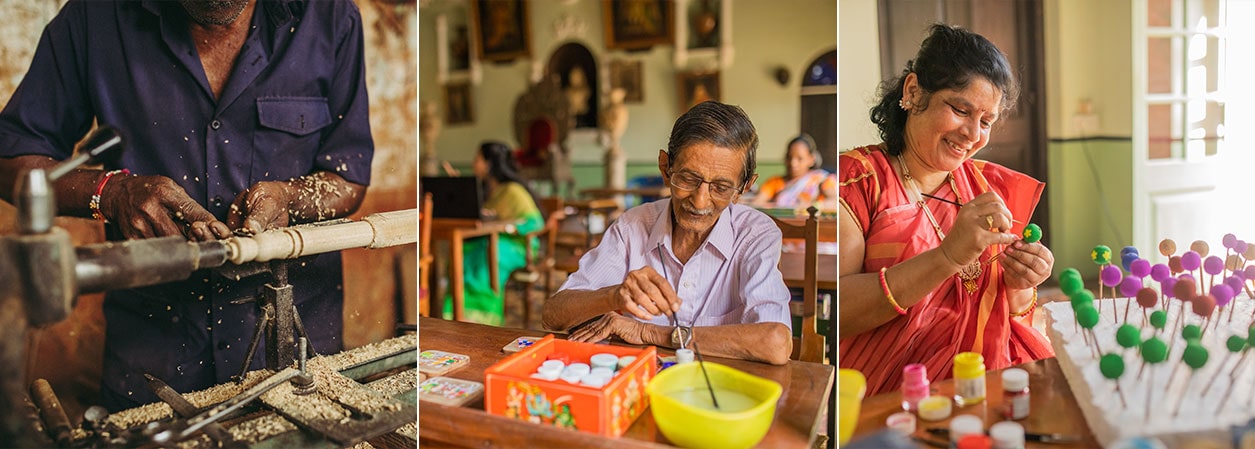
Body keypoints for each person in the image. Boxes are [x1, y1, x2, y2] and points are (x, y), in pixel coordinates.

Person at [0, 0, 374, 411]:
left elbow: (347, 176)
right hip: (153, 354)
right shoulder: (95, 17)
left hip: (295, 348)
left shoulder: (331, 17)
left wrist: (289, 198)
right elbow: (11, 160)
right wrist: (111, 193)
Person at [838, 24, 1055, 395]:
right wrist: (947, 257)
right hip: (890, 395)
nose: (972, 134)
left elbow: (1010, 312)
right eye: (960, 110)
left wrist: (1021, 283)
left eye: (985, 122)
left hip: (983, 382)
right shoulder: (858, 181)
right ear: (913, 92)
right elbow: (839, 313)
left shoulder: (988, 189)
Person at [543, 101, 793, 365]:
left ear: (744, 187)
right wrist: (613, 296)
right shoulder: (631, 227)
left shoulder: (756, 235)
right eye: (687, 179)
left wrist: (648, 331)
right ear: (665, 168)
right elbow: (553, 314)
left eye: (720, 187)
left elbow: (775, 343)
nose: (699, 201)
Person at [443, 141, 543, 325]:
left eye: (477, 159)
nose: (473, 163)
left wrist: (508, 226)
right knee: (462, 250)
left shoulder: (513, 191)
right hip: (491, 239)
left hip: (518, 246)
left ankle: (484, 319)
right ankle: (457, 313)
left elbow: (535, 223)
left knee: (486, 255)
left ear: (489, 164)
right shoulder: (489, 190)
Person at [752, 133, 837, 209]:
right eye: (789, 157)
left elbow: (835, 202)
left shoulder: (821, 180)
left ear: (811, 159)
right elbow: (757, 203)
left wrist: (810, 206)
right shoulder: (775, 182)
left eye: (800, 159)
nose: (793, 163)